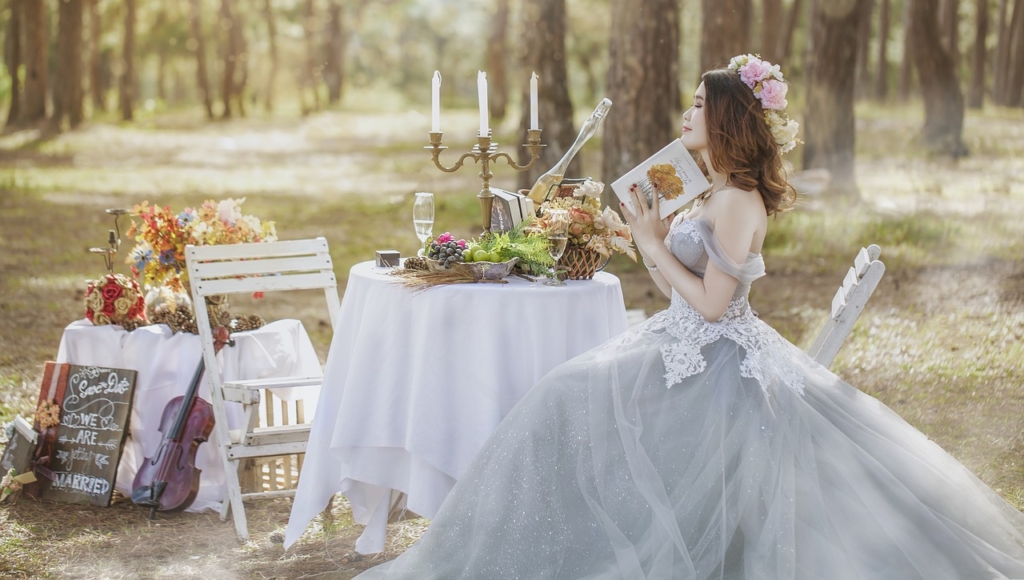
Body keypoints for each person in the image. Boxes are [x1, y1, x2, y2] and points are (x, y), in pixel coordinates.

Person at [354, 56, 1024, 579]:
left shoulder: (737, 201)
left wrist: (651, 242)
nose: (686, 112)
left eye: (699, 104)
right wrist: (639, 235)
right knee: (557, 397)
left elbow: (712, 307)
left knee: (559, 397)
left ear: (727, 116)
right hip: (681, 341)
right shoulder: (711, 188)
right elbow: (684, 288)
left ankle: (562, 553)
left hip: (713, 364)